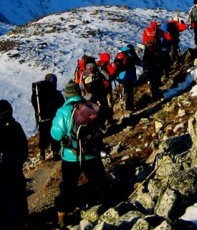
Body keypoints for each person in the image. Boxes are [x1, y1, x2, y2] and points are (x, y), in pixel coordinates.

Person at [51, 80, 112, 228]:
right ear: (79, 93)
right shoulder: (91, 106)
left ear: (67, 95)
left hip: (71, 156)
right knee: (100, 181)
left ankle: (64, 215)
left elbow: (56, 135)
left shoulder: (63, 111)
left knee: (69, 186)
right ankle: (111, 207)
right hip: (92, 153)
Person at [0, 99, 29, 230]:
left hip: (3, 172)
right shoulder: (15, 126)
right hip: (15, 170)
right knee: (19, 197)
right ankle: (23, 222)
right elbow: (24, 149)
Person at [31, 73, 65, 160]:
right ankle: (55, 154)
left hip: (40, 118)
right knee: (54, 135)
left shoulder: (37, 93)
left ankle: (42, 153)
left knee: (43, 135)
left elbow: (34, 103)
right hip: (53, 117)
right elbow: (61, 103)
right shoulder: (54, 93)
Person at [142, 22, 171, 100]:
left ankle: (154, 93)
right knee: (157, 73)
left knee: (151, 76)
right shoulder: (159, 31)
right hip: (157, 55)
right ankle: (157, 91)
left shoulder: (146, 31)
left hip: (148, 56)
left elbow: (143, 40)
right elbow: (168, 37)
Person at [114, 44, 142, 110]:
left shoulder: (119, 54)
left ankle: (122, 106)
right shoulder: (131, 53)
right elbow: (139, 62)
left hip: (120, 77)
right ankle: (129, 107)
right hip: (129, 76)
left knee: (124, 91)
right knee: (129, 92)